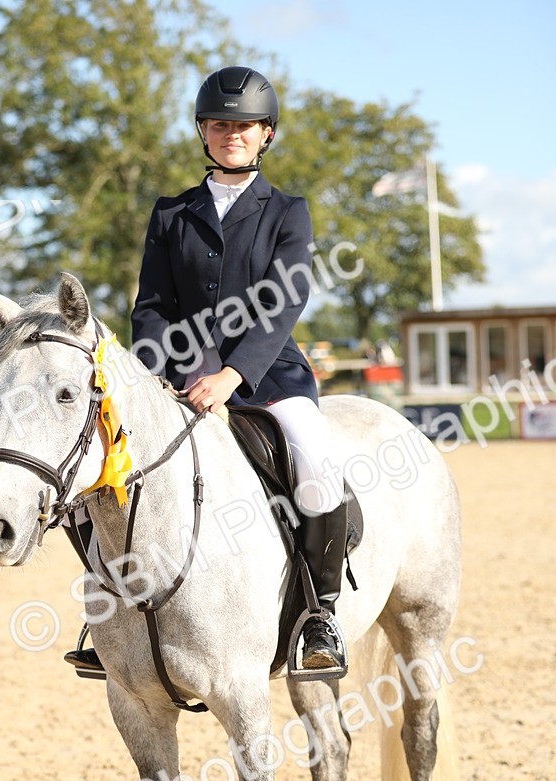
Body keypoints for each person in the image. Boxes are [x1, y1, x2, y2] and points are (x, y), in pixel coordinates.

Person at [65, 65, 349, 678]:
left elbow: (283, 303)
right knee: (98, 474)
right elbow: (153, 306)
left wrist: (232, 377)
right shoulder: (171, 214)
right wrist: (148, 378)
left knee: (317, 460)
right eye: (221, 124)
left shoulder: (287, 212)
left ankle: (319, 616)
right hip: (177, 377)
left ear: (267, 133)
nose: (233, 134)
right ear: (203, 130)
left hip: (268, 376)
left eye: (245, 125)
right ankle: (106, 613)